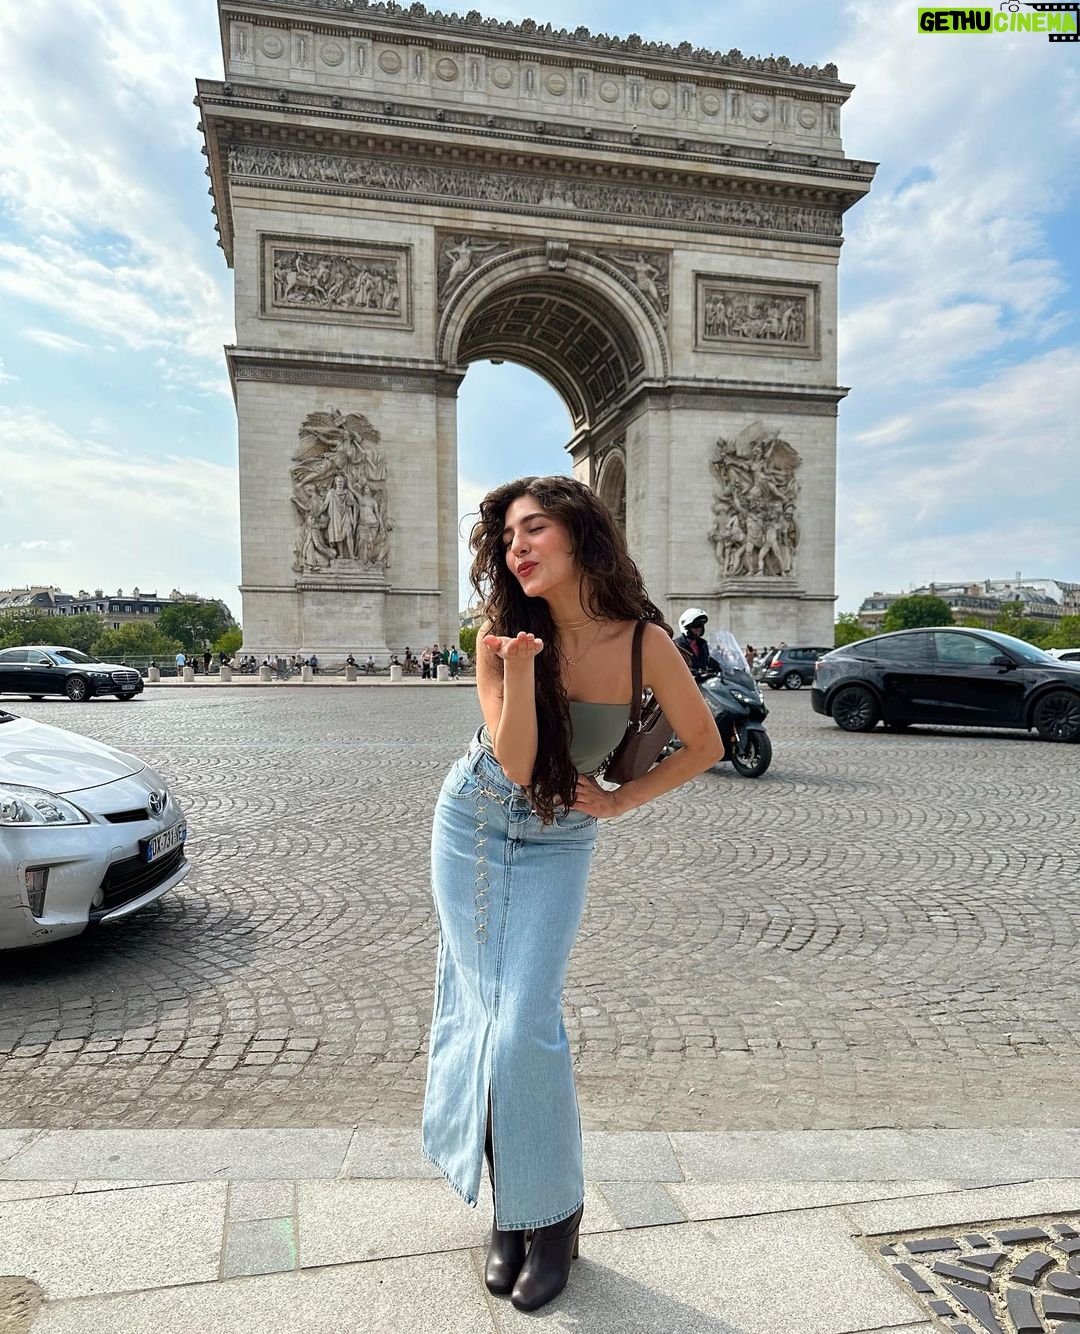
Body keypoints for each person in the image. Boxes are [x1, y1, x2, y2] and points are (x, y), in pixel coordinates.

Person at [421, 475, 722, 1313]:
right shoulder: (499, 637)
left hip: (559, 839)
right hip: (474, 823)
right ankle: (510, 1213)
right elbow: (517, 763)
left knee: (525, 1024)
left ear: (581, 533)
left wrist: (621, 802)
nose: (516, 548)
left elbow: (705, 743)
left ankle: (554, 1216)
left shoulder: (645, 643)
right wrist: (519, 671)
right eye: (507, 537)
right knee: (484, 1018)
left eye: (533, 529)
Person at [673, 608, 721, 680]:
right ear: (686, 627)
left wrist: (721, 667)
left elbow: (708, 662)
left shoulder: (703, 644)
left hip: (703, 683)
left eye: (701, 626)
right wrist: (696, 673)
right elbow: (676, 667)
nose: (699, 629)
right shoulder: (677, 645)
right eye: (696, 625)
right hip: (685, 683)